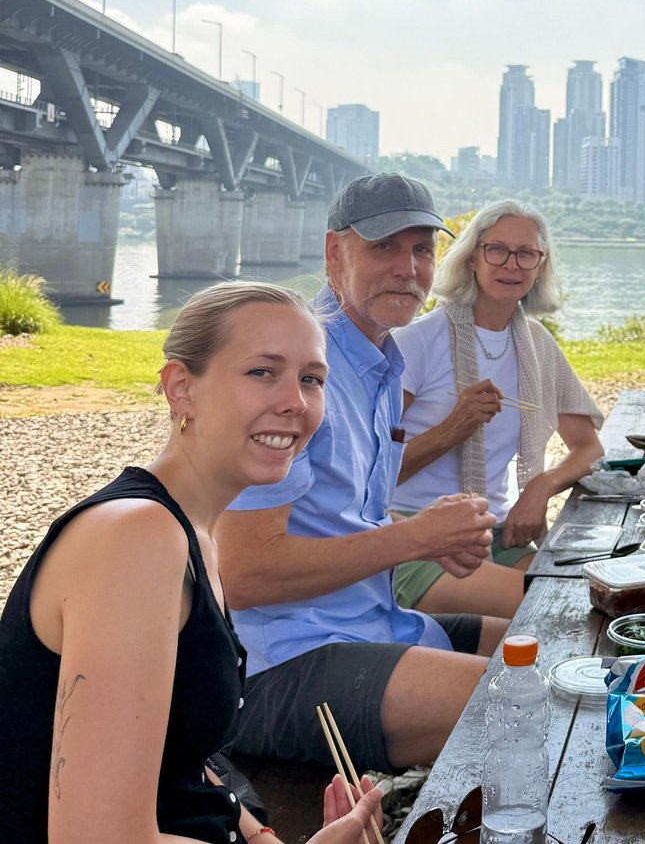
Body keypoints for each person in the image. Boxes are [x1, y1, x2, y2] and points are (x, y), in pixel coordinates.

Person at [0, 281, 383, 843]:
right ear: (181, 388)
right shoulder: (137, 539)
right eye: (262, 371)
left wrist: (263, 838)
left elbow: (179, 750)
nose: (296, 402)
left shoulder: (192, 531)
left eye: (312, 379)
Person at [215, 174, 506, 773]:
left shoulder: (379, 363)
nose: (407, 268)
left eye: (422, 249)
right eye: (383, 247)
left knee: (549, 650)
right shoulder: (299, 367)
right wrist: (414, 539)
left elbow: (340, 514)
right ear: (334, 253)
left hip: (369, 622)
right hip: (277, 664)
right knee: (523, 705)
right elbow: (244, 574)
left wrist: (430, 533)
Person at [389, 199, 603, 618]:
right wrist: (453, 428)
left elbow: (589, 447)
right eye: (497, 250)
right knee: (552, 609)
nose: (511, 264)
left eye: (526, 253)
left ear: (541, 265)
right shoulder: (417, 341)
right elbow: (368, 473)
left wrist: (539, 488)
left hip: (495, 532)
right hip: (413, 535)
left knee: (588, 595)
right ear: (472, 258)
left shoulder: (536, 344)